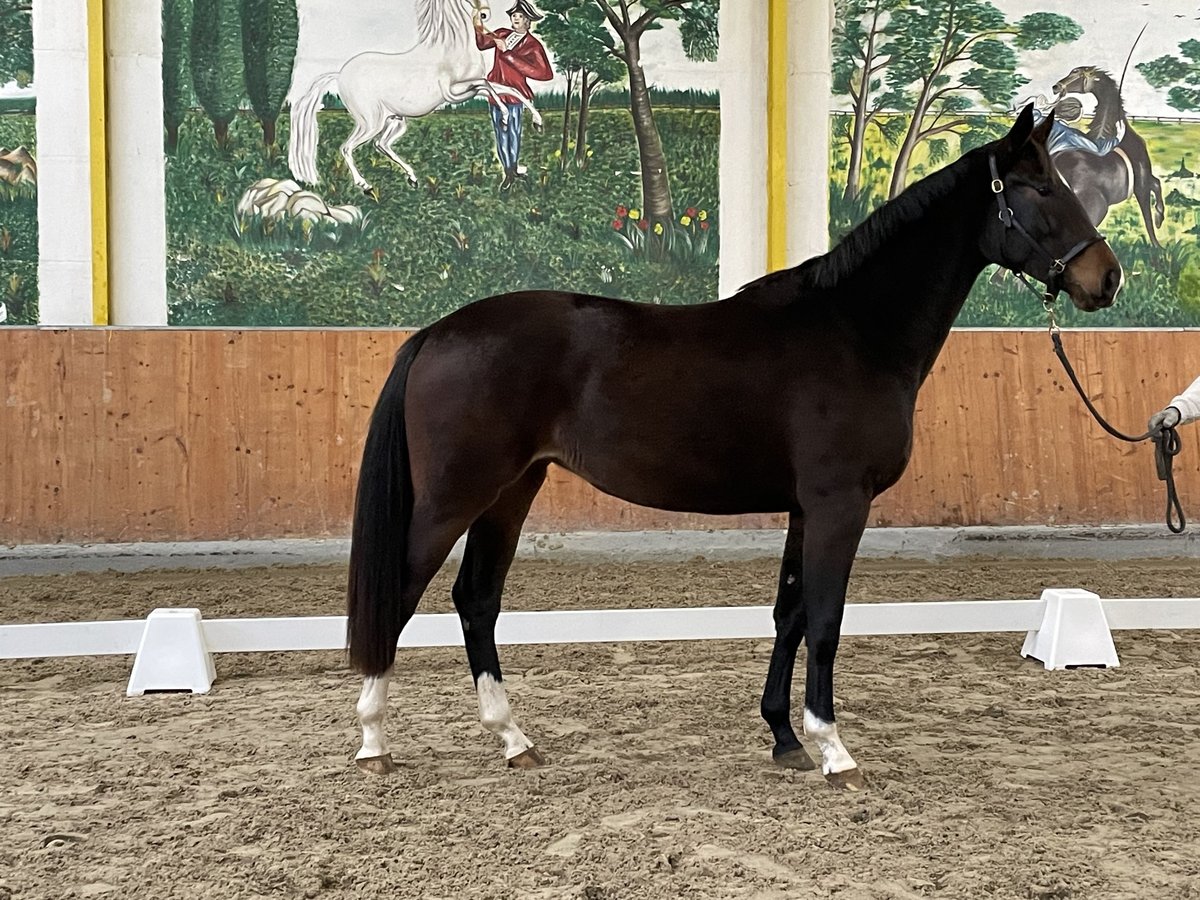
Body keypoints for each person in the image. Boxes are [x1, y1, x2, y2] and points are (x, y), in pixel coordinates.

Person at [474, 0, 553, 191]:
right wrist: (476, 23)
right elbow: (482, 43)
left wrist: (508, 54)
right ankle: (509, 172)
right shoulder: (502, 34)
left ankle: (513, 169)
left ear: (528, 21)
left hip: (516, 96)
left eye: (521, 17)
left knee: (513, 135)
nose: (516, 19)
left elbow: (544, 73)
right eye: (514, 16)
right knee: (500, 135)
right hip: (496, 93)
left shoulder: (533, 45)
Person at [1023, 94, 1125, 157]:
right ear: (1077, 117)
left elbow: (1030, 111)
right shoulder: (1071, 136)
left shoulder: (1040, 121)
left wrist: (1039, 105)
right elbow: (1098, 150)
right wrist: (1117, 138)